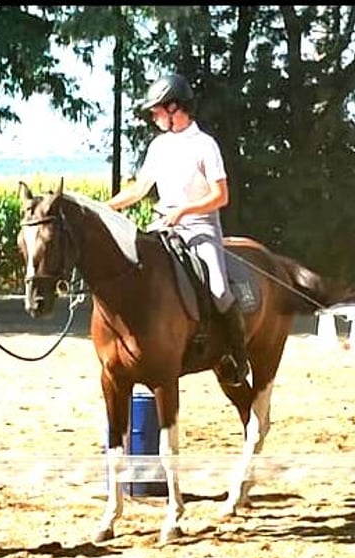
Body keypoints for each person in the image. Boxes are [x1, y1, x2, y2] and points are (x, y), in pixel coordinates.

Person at [105, 72, 249, 387]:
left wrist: (185, 209)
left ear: (174, 108)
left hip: (200, 227)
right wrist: (107, 207)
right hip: (163, 226)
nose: (153, 117)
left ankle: (237, 355)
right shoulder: (159, 146)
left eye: (157, 111)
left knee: (219, 290)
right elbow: (140, 188)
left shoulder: (204, 145)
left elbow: (220, 196)